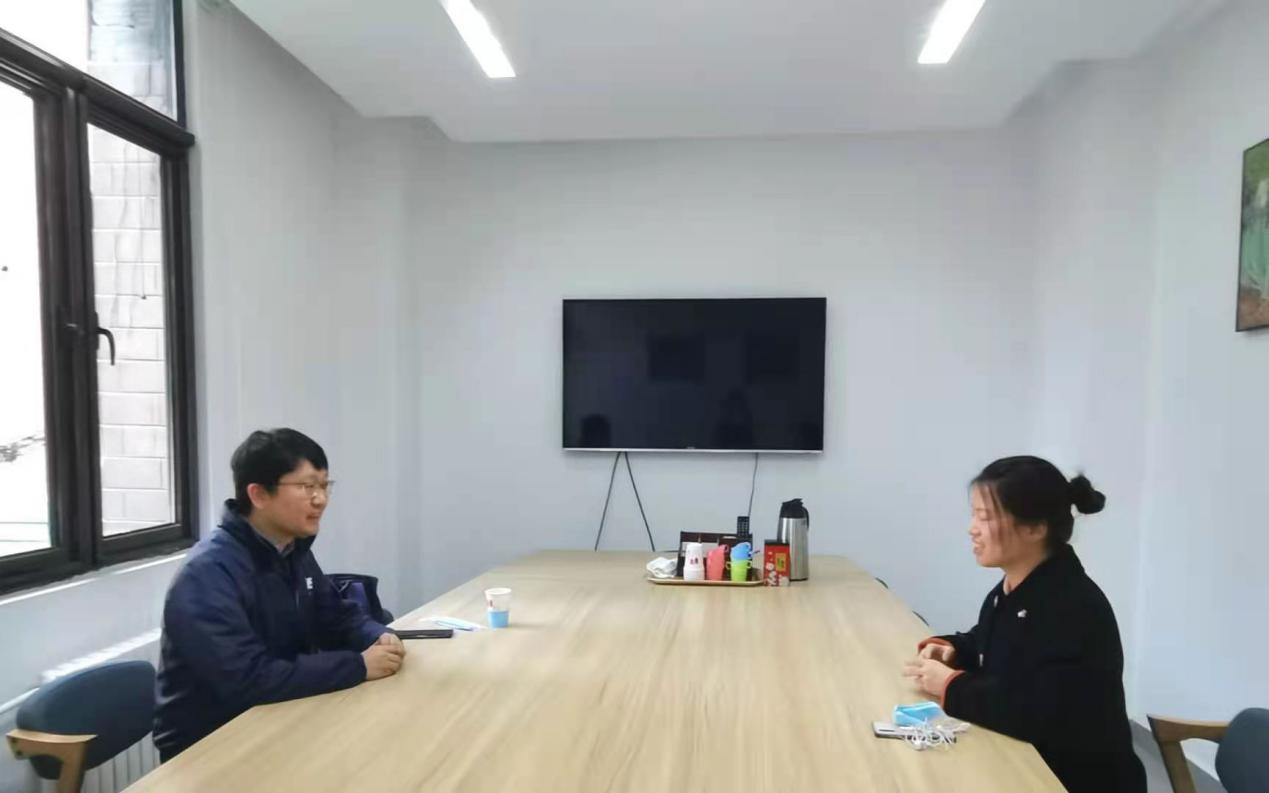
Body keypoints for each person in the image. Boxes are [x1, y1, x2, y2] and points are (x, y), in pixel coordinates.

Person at [154, 429, 405, 761]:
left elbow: (336, 616)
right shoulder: (207, 574)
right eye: (307, 486)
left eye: (324, 485)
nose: (320, 499)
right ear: (258, 494)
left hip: (282, 715)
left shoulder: (291, 549)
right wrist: (357, 666)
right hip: (213, 747)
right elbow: (248, 679)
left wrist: (379, 636)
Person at [903, 456, 1146, 793]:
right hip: (1029, 760)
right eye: (974, 514)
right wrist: (954, 649)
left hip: (1073, 779)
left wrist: (950, 685)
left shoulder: (1072, 605)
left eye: (985, 517)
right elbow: (991, 640)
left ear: (1035, 528)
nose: (972, 528)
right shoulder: (1016, 588)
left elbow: (1032, 710)